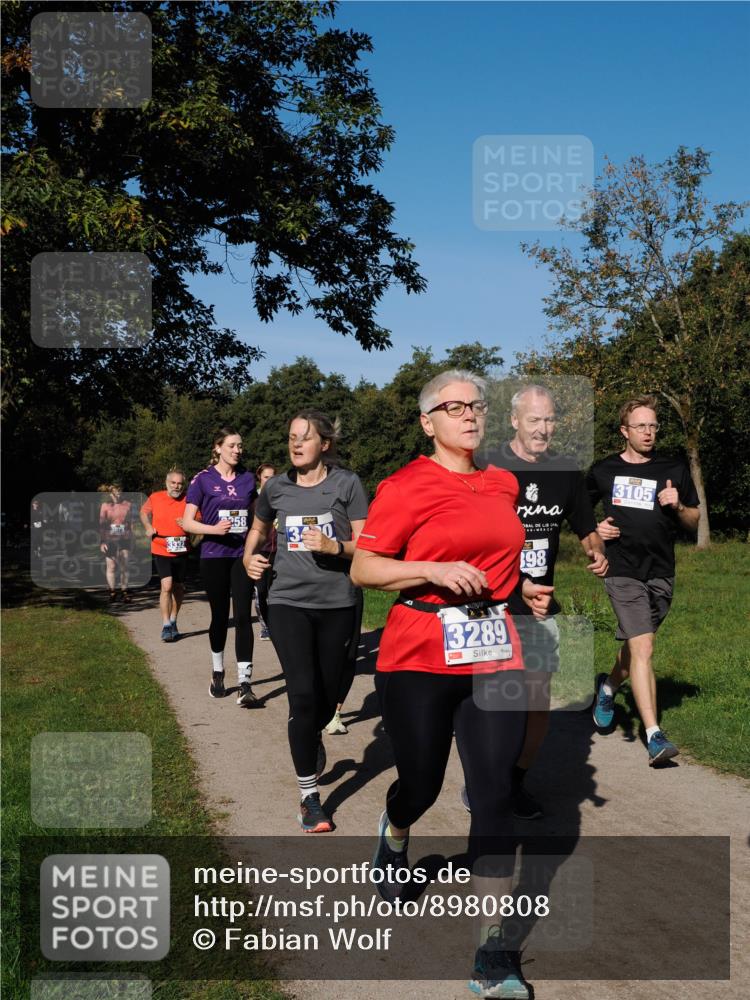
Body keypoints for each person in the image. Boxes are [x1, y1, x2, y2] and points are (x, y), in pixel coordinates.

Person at [351, 370, 553, 1000]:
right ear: (427, 421)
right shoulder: (406, 484)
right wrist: (431, 568)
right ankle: (397, 827)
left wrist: (524, 589)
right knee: (422, 783)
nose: (469, 414)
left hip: (493, 647)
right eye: (453, 406)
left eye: (475, 405)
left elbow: (498, 555)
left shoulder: (502, 482)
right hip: (417, 650)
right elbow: (363, 567)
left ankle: (492, 954)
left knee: (493, 793)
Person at [461, 384, 607, 819]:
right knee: (489, 704)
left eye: (549, 420)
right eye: (534, 421)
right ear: (513, 421)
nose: (543, 429)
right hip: (488, 604)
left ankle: (514, 783)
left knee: (536, 703)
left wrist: (597, 550)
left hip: (539, 605)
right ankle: (484, 783)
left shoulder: (565, 472)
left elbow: (586, 527)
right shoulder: (485, 467)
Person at [244, 411, 369, 833]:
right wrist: (249, 558)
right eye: (291, 437)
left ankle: (313, 733)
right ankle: (309, 798)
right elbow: (258, 530)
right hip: (287, 601)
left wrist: (335, 546)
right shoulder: (275, 487)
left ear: (325, 444)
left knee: (328, 691)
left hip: (338, 602)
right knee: (301, 694)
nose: (296, 444)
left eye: (305, 438)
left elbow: (366, 545)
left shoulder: (347, 484)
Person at [586, 395, 700, 764]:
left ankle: (608, 686)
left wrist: (678, 505)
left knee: (639, 645)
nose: (648, 432)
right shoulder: (604, 470)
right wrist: (595, 531)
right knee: (645, 648)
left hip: (662, 571)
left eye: (653, 426)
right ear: (624, 431)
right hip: (622, 571)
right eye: (641, 426)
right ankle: (654, 735)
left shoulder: (674, 468)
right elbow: (579, 514)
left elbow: (693, 522)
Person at [181, 429, 258, 705]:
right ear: (218, 447)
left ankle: (245, 683)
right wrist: (212, 529)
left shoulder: (248, 479)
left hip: (241, 556)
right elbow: (187, 522)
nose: (238, 450)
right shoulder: (203, 479)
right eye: (233, 445)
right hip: (213, 555)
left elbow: (258, 519)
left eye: (241, 446)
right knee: (219, 616)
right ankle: (217, 671)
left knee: (243, 616)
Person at [140, 467, 190, 642]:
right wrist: (148, 527)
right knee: (166, 586)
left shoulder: (189, 499)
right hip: (161, 546)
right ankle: (166, 624)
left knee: (178, 587)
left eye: (180, 484)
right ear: (166, 483)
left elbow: (199, 518)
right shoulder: (155, 497)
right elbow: (143, 513)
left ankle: (174, 620)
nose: (176, 487)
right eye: (173, 483)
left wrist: (188, 523)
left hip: (182, 548)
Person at [253, 463, 277, 641]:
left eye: (273, 477)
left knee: (276, 591)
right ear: (260, 478)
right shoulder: (253, 500)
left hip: (280, 552)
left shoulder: (283, 498)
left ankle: (278, 624)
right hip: (260, 551)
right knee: (260, 591)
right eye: (266, 477)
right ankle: (265, 625)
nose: (270, 480)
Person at [99, 484, 133, 602]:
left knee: (125, 566)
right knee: (111, 566)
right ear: (111, 493)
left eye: (120, 491)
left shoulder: (128, 505)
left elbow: (131, 523)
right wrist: (102, 542)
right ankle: (112, 592)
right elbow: (102, 525)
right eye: (116, 491)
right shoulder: (105, 506)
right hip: (110, 539)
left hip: (125, 538)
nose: (119, 493)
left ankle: (125, 592)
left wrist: (132, 538)